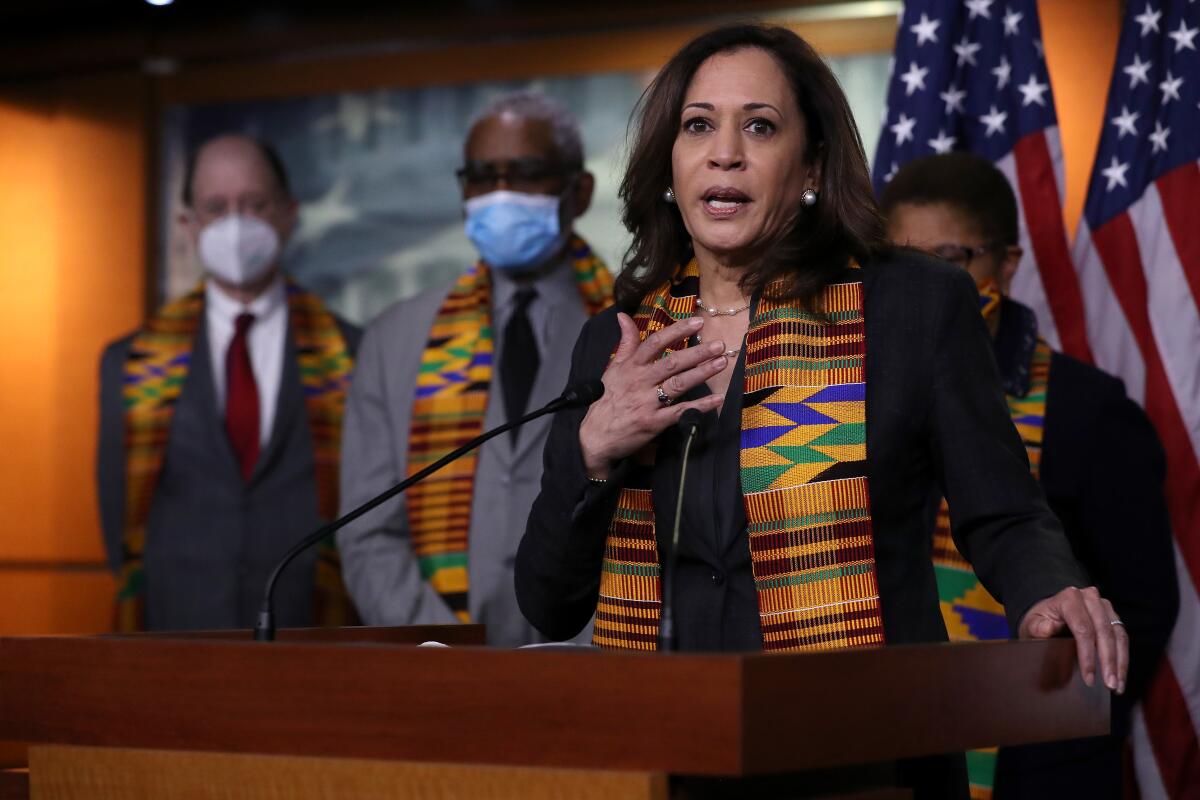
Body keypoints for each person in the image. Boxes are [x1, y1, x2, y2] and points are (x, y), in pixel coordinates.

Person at [515, 24, 1129, 798]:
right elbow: (547, 600)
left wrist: (1049, 591)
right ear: (670, 165)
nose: (725, 151)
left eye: (760, 126)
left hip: (865, 760)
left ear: (810, 167)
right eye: (698, 124)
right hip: (666, 761)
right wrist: (593, 448)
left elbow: (1004, 514)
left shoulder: (912, 309)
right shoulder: (623, 340)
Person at [881, 152, 1178, 800]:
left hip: (1044, 759)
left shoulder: (1091, 411)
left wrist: (1071, 712)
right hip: (897, 742)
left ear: (1006, 265)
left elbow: (1145, 601)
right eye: (905, 263)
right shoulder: (865, 404)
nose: (927, 287)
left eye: (949, 260)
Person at [336, 91, 613, 647]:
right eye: (483, 177)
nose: (501, 195)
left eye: (526, 173)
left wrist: (580, 653)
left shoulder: (635, 328)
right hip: (440, 667)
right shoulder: (394, 339)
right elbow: (369, 535)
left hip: (595, 662)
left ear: (578, 191)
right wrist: (439, 650)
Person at [97, 134, 361, 631]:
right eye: (216, 208)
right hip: (177, 634)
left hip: (315, 631)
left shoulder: (354, 352)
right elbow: (120, 527)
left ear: (289, 213)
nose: (236, 224)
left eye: (254, 204)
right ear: (189, 225)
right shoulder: (130, 362)